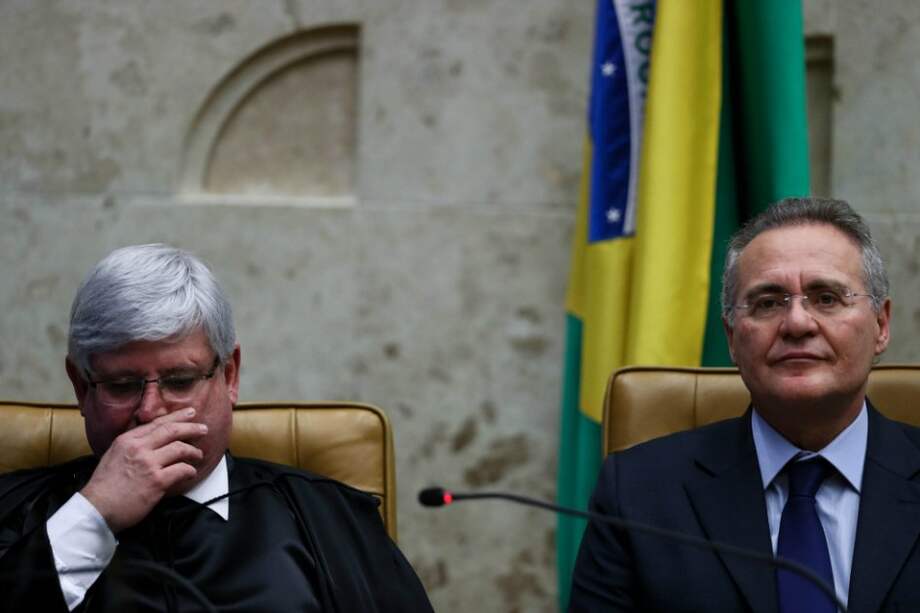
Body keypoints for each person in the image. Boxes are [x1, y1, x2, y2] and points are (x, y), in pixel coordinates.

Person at [0, 244, 434, 612]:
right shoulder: (14, 513)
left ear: (230, 377)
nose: (151, 411)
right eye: (122, 385)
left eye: (180, 381)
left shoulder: (327, 518)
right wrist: (92, 516)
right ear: (80, 387)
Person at [569, 198, 920, 612]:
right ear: (733, 338)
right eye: (768, 302)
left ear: (880, 326)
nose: (797, 324)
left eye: (826, 298)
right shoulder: (638, 493)